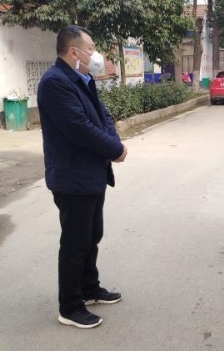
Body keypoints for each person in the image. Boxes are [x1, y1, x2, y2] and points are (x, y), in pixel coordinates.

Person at [38, 25, 127, 329]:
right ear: (73, 51)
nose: (95, 54)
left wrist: (114, 144)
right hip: (72, 177)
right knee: (75, 245)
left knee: (91, 237)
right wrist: (114, 149)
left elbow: (103, 117)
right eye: (90, 48)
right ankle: (70, 307)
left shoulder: (82, 78)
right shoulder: (55, 82)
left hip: (91, 174)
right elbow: (78, 128)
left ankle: (89, 289)